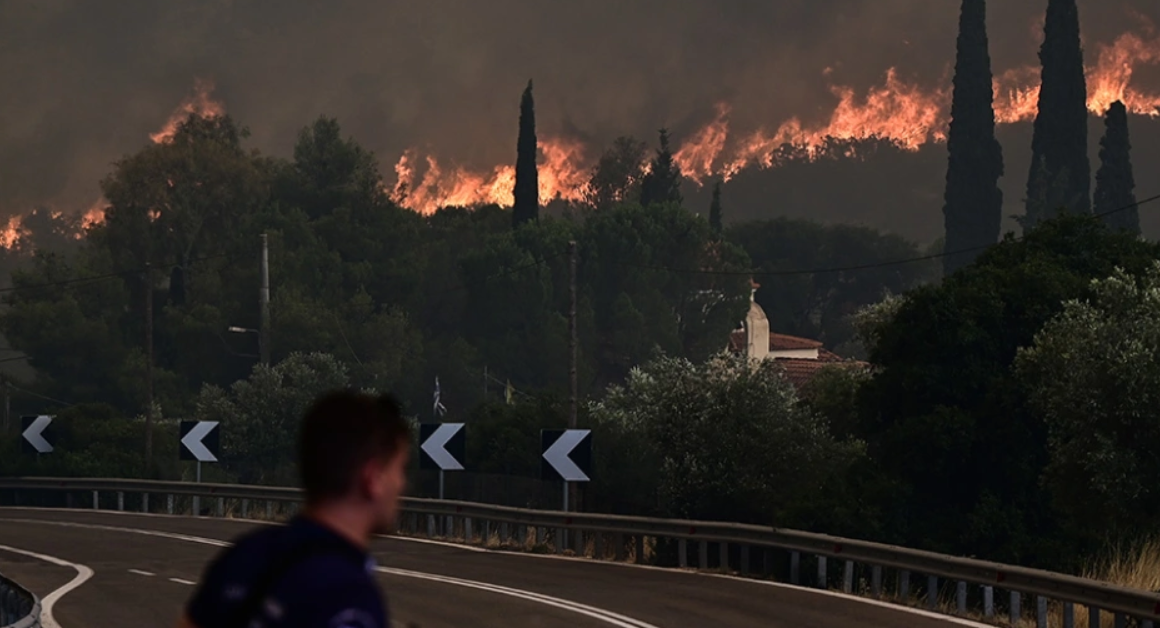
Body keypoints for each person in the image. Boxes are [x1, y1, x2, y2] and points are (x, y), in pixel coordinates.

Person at [177, 389, 411, 628]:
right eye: (399, 469)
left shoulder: (244, 555)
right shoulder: (349, 597)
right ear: (372, 479)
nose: (403, 483)